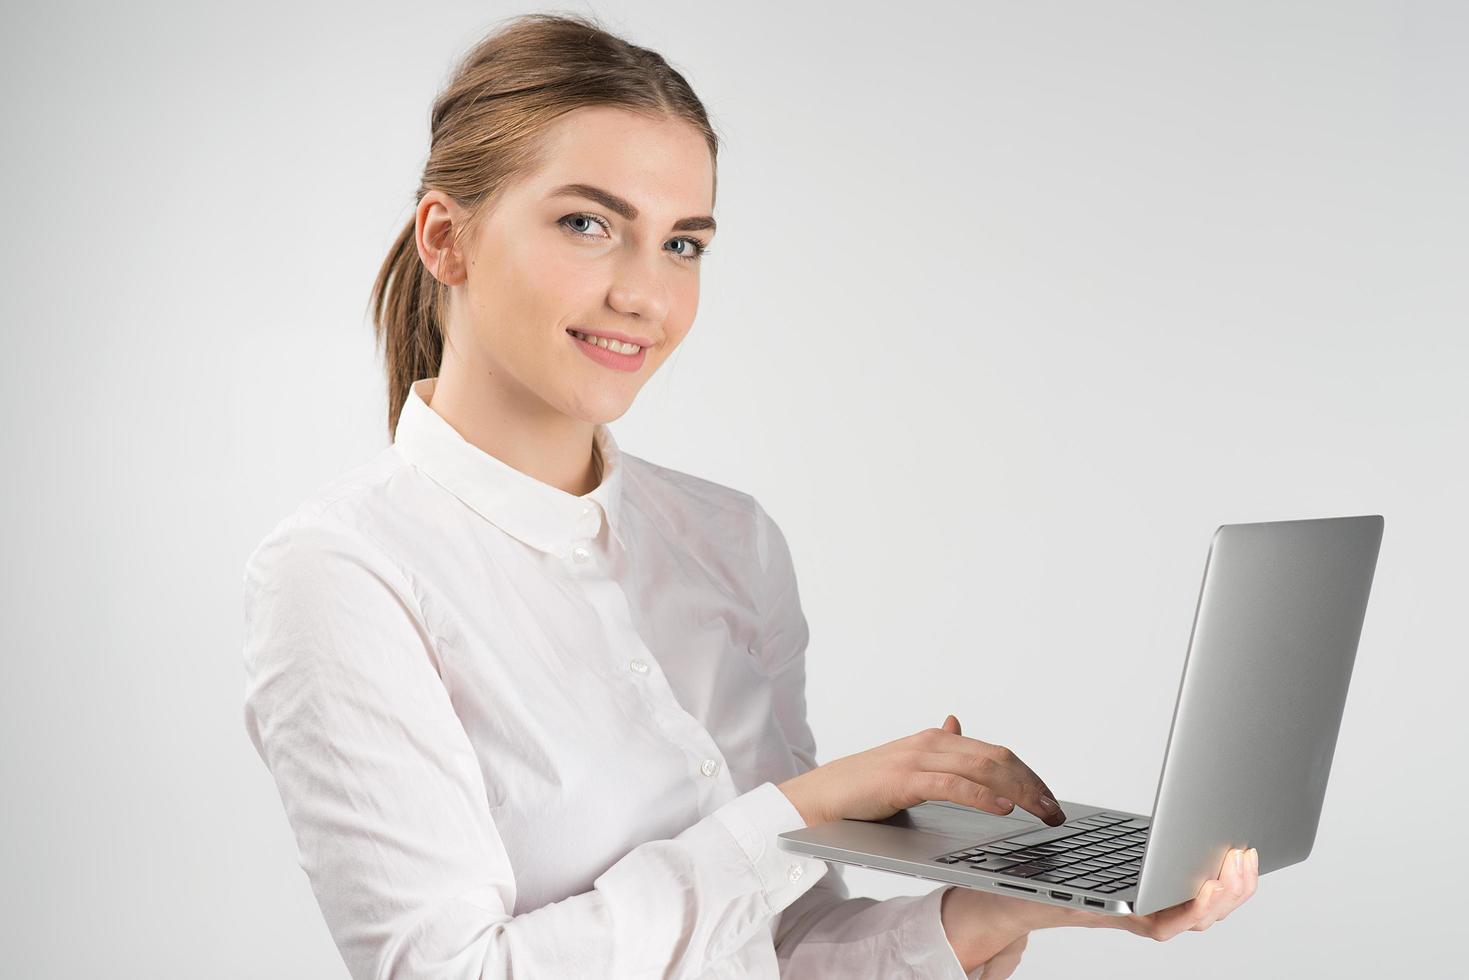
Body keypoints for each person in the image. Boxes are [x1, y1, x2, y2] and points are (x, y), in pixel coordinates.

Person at [241, 12, 1258, 980]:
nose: (644, 293)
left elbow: (774, 943)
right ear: (444, 239)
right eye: (588, 222)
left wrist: (1010, 904)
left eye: (682, 242)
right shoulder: (341, 572)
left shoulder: (730, 540)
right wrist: (792, 811)